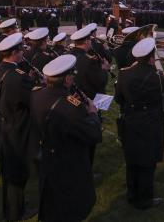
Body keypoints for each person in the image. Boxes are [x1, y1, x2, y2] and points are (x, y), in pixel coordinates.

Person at [115, 37, 164, 209]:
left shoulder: (123, 73)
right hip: (151, 125)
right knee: (147, 163)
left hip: (130, 123)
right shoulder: (160, 77)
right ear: (151, 57)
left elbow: (118, 99)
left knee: (132, 161)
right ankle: (144, 200)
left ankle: (132, 195)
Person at [30, 54, 102, 222]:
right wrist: (92, 114)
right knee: (69, 205)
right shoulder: (70, 107)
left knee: (52, 201)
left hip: (47, 153)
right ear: (68, 78)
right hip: (68, 160)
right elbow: (94, 134)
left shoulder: (36, 93)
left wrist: (70, 104)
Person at [0, 33, 38, 221]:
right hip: (19, 128)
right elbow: (31, 101)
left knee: (9, 171)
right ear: (14, 53)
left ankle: (13, 208)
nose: (23, 53)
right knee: (17, 173)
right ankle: (15, 212)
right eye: (20, 50)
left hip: (5, 124)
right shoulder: (19, 77)